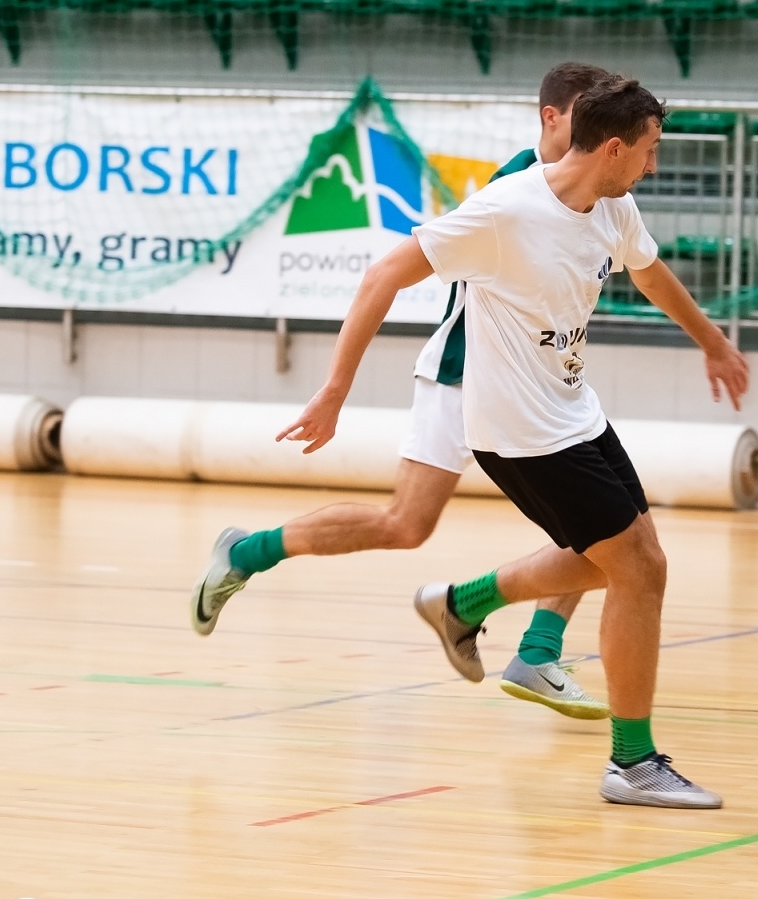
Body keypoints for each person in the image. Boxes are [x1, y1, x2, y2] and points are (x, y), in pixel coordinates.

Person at [189, 63, 618, 720]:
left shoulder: (597, 194)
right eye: (584, 113)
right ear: (551, 117)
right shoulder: (513, 189)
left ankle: (537, 650)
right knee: (406, 525)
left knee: (602, 524)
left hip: (534, 393)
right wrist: (335, 390)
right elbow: (385, 274)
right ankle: (246, 553)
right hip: (462, 376)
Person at [407, 76, 746, 808]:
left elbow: (651, 275)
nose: (655, 164)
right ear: (615, 147)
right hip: (518, 430)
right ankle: (632, 763)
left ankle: (462, 603)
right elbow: (385, 274)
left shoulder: (613, 205)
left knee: (621, 563)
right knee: (640, 570)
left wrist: (714, 341)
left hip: (574, 411)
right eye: (651, 149)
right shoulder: (505, 208)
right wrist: (332, 392)